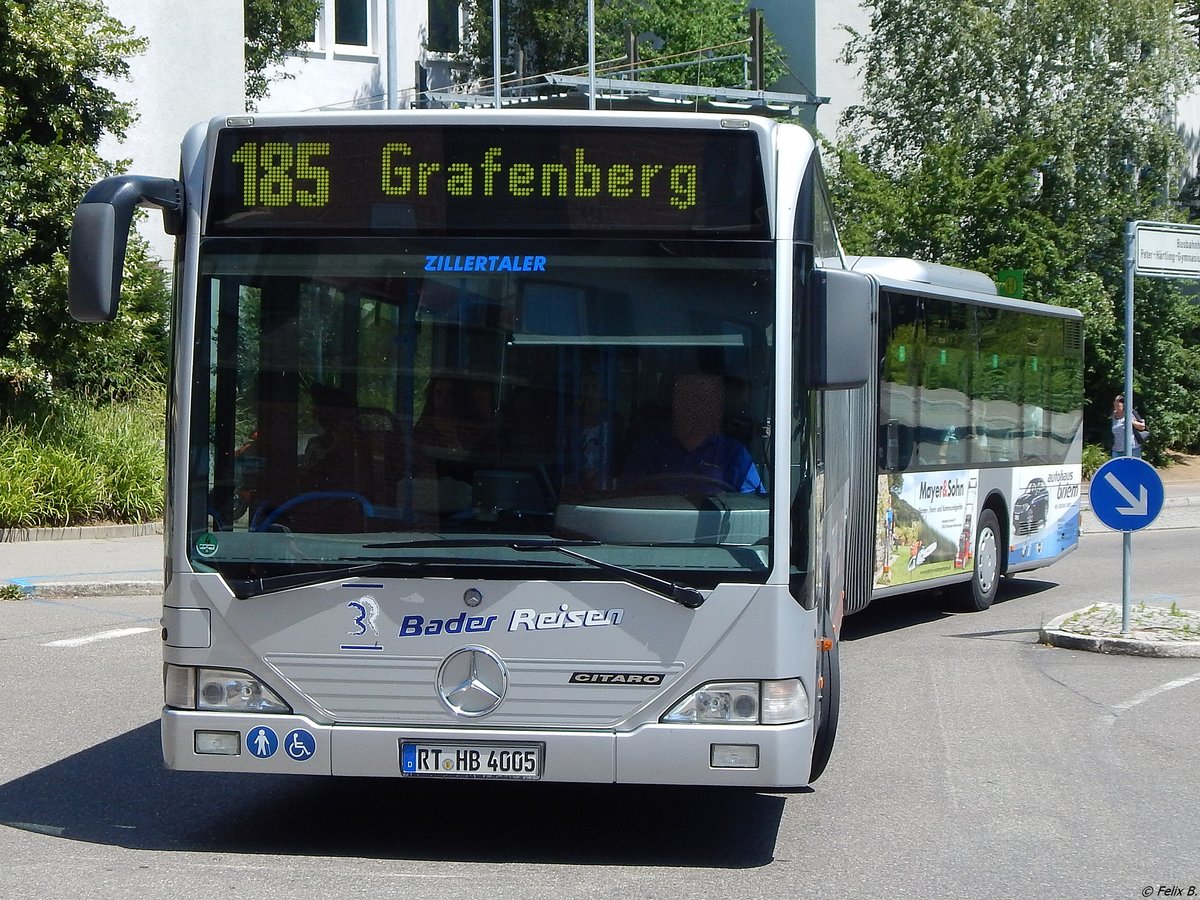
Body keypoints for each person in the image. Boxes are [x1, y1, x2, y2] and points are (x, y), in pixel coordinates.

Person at [621, 372, 764, 494]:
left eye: (703, 401)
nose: (695, 408)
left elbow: (753, 506)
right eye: (688, 400)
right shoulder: (648, 449)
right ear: (674, 406)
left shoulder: (734, 453)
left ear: (715, 409)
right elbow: (628, 497)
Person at [1111, 394, 1147, 459]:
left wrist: (1131, 421)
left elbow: (1142, 427)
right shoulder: (1114, 415)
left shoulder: (1130, 413)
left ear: (1124, 406)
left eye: (1118, 406)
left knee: (1132, 468)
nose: (1116, 408)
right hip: (1117, 450)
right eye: (1115, 405)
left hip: (1132, 449)